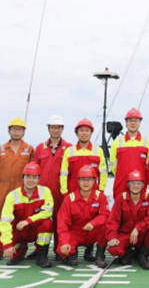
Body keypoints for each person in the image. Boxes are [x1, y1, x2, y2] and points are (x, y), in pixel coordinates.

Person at [0, 117, 35, 262]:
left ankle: (20, 251)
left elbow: (33, 172)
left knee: (20, 219)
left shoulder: (29, 149)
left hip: (22, 188)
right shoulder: (0, 150)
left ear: (24, 131)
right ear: (9, 131)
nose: (16, 132)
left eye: (19, 129)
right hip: (3, 188)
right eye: (14, 129)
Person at [59, 118, 108, 262]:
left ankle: (90, 251)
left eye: (87, 130)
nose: (84, 133)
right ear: (76, 133)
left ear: (91, 133)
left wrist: (100, 191)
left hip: (93, 194)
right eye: (81, 130)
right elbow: (64, 173)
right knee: (73, 223)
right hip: (73, 194)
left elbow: (103, 173)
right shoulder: (70, 151)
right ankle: (72, 250)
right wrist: (65, 193)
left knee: (94, 221)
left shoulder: (98, 151)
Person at [0, 162, 54, 268]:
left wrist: (28, 221)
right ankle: (19, 253)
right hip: (19, 231)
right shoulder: (12, 196)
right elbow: (5, 221)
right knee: (0, 241)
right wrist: (7, 244)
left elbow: (47, 212)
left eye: (34, 177)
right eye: (28, 176)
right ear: (22, 178)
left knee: (47, 223)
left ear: (39, 179)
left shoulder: (45, 192)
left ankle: (41, 255)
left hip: (34, 230)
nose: (31, 180)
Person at [33, 114, 71, 260]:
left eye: (59, 127)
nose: (56, 130)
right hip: (42, 193)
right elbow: (34, 170)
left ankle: (59, 250)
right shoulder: (40, 148)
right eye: (53, 127)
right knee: (41, 220)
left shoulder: (69, 148)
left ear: (62, 129)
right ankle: (39, 250)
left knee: (60, 221)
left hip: (60, 191)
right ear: (48, 129)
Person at [57, 165, 110, 268]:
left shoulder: (100, 196)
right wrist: (64, 242)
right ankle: (73, 253)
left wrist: (93, 223)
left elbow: (105, 215)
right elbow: (62, 223)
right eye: (83, 179)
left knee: (105, 227)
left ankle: (100, 255)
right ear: (78, 181)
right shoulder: (69, 199)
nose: (86, 182)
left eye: (89, 179)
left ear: (94, 181)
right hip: (75, 234)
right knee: (62, 251)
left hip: (91, 232)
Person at [106, 169, 149, 269]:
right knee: (113, 249)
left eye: (139, 183)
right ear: (128, 185)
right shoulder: (121, 198)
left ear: (143, 185)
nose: (135, 186)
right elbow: (113, 220)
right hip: (126, 235)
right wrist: (112, 237)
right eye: (133, 183)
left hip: (141, 234)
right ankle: (128, 253)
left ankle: (143, 254)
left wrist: (138, 228)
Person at [109, 108, 149, 200]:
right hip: (121, 185)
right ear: (126, 123)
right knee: (120, 206)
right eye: (130, 121)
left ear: (139, 123)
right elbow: (113, 165)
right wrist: (122, 175)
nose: (133, 123)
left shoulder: (147, 142)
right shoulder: (117, 142)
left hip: (140, 185)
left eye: (136, 120)